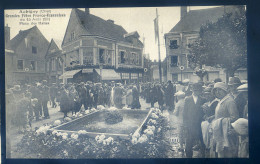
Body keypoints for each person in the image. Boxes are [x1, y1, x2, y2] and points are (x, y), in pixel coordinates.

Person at [211, 82, 239, 158]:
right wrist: (213, 118)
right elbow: (221, 114)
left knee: (228, 155)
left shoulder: (229, 101)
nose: (217, 92)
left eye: (220, 90)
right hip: (220, 132)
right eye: (215, 90)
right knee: (221, 153)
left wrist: (220, 121)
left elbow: (235, 117)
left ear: (225, 90)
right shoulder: (221, 101)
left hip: (227, 132)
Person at [183, 83, 206, 158]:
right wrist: (185, 125)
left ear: (200, 91)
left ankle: (203, 156)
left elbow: (204, 112)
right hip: (190, 125)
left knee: (202, 142)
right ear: (192, 90)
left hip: (200, 125)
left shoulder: (203, 99)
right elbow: (184, 113)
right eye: (195, 90)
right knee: (189, 143)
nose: (196, 91)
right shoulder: (187, 99)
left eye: (198, 90)